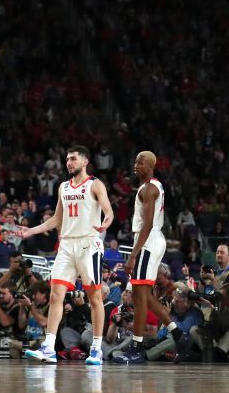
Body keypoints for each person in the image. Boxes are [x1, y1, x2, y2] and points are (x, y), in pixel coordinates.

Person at [18, 145, 115, 365]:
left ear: (85, 162)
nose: (68, 163)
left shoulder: (95, 184)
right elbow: (56, 219)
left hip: (88, 244)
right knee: (55, 296)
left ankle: (97, 348)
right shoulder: (63, 186)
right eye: (67, 160)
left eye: (72, 159)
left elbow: (108, 210)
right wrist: (31, 230)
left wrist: (107, 220)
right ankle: (49, 348)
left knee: (95, 298)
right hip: (66, 245)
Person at [113, 151, 184, 364]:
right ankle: (177, 333)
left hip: (147, 241)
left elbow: (148, 224)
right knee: (144, 294)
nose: (136, 165)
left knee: (138, 296)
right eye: (135, 161)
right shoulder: (152, 186)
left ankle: (136, 347)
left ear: (151, 166)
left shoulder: (150, 188)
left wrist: (133, 255)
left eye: (140, 162)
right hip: (152, 241)